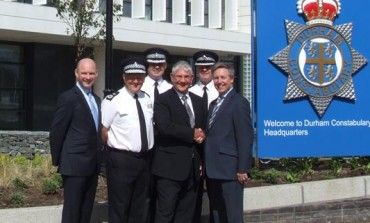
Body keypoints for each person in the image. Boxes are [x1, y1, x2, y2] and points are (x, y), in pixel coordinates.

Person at [151, 60, 206, 223]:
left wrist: (202, 159)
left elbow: (203, 128)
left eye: (186, 77)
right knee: (165, 213)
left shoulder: (198, 100)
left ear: (192, 78)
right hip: (169, 169)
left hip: (193, 169)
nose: (182, 80)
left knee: (186, 214)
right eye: (179, 77)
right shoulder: (162, 99)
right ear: (172, 77)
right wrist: (192, 133)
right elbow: (164, 127)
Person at [101, 57, 154, 223]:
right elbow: (103, 130)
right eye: (131, 77)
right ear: (124, 77)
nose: (135, 80)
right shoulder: (113, 100)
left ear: (144, 78)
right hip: (121, 160)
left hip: (144, 160)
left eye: (139, 77)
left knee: (139, 207)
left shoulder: (147, 98)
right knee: (120, 207)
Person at [50, 58, 101, 223]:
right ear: (76, 73)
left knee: (86, 210)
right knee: (72, 212)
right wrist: (58, 161)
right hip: (74, 165)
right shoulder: (68, 98)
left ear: (96, 74)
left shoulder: (97, 100)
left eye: (91, 73)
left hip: (92, 165)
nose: (88, 76)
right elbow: (57, 132)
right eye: (84, 73)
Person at [204, 63, 254, 223]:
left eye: (223, 77)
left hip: (231, 171)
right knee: (217, 214)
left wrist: (243, 168)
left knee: (233, 216)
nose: (219, 81)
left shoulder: (239, 102)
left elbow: (245, 137)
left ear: (231, 79)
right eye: (216, 78)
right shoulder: (213, 104)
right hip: (213, 170)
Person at [189, 50, 219, 223]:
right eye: (202, 67)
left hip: (216, 151)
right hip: (196, 151)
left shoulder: (221, 91)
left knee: (217, 196)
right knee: (195, 195)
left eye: (208, 67)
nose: (205, 70)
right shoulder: (190, 91)